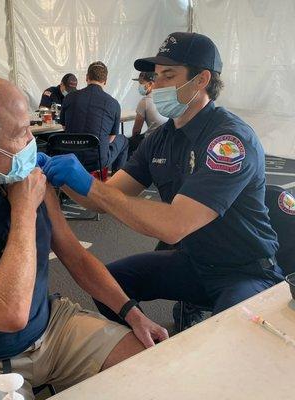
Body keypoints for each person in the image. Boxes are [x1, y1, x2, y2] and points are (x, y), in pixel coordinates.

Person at [0, 71, 168, 400]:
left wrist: (132, 313)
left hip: (52, 327)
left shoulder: (20, 179)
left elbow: (76, 256)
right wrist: (23, 209)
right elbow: (9, 314)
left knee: (156, 366)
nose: (33, 143)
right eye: (24, 132)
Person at [40, 32, 284, 323]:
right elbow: (101, 200)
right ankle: (148, 340)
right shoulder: (159, 138)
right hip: (194, 263)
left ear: (202, 80)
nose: (157, 85)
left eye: (169, 75)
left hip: (241, 270)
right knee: (110, 284)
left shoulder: (228, 141)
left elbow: (174, 225)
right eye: (155, 76)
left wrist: (93, 186)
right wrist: (60, 176)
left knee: (229, 339)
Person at [60, 61, 128, 173]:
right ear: (105, 81)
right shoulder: (114, 103)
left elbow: (64, 127)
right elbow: (111, 138)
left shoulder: (69, 97)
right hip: (98, 161)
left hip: (70, 157)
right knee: (123, 140)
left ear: (87, 77)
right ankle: (116, 183)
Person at [129, 71, 167, 157]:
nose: (139, 86)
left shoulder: (145, 101)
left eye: (141, 83)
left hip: (152, 141)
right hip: (166, 140)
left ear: (150, 84)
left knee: (127, 143)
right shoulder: (166, 97)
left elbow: (136, 131)